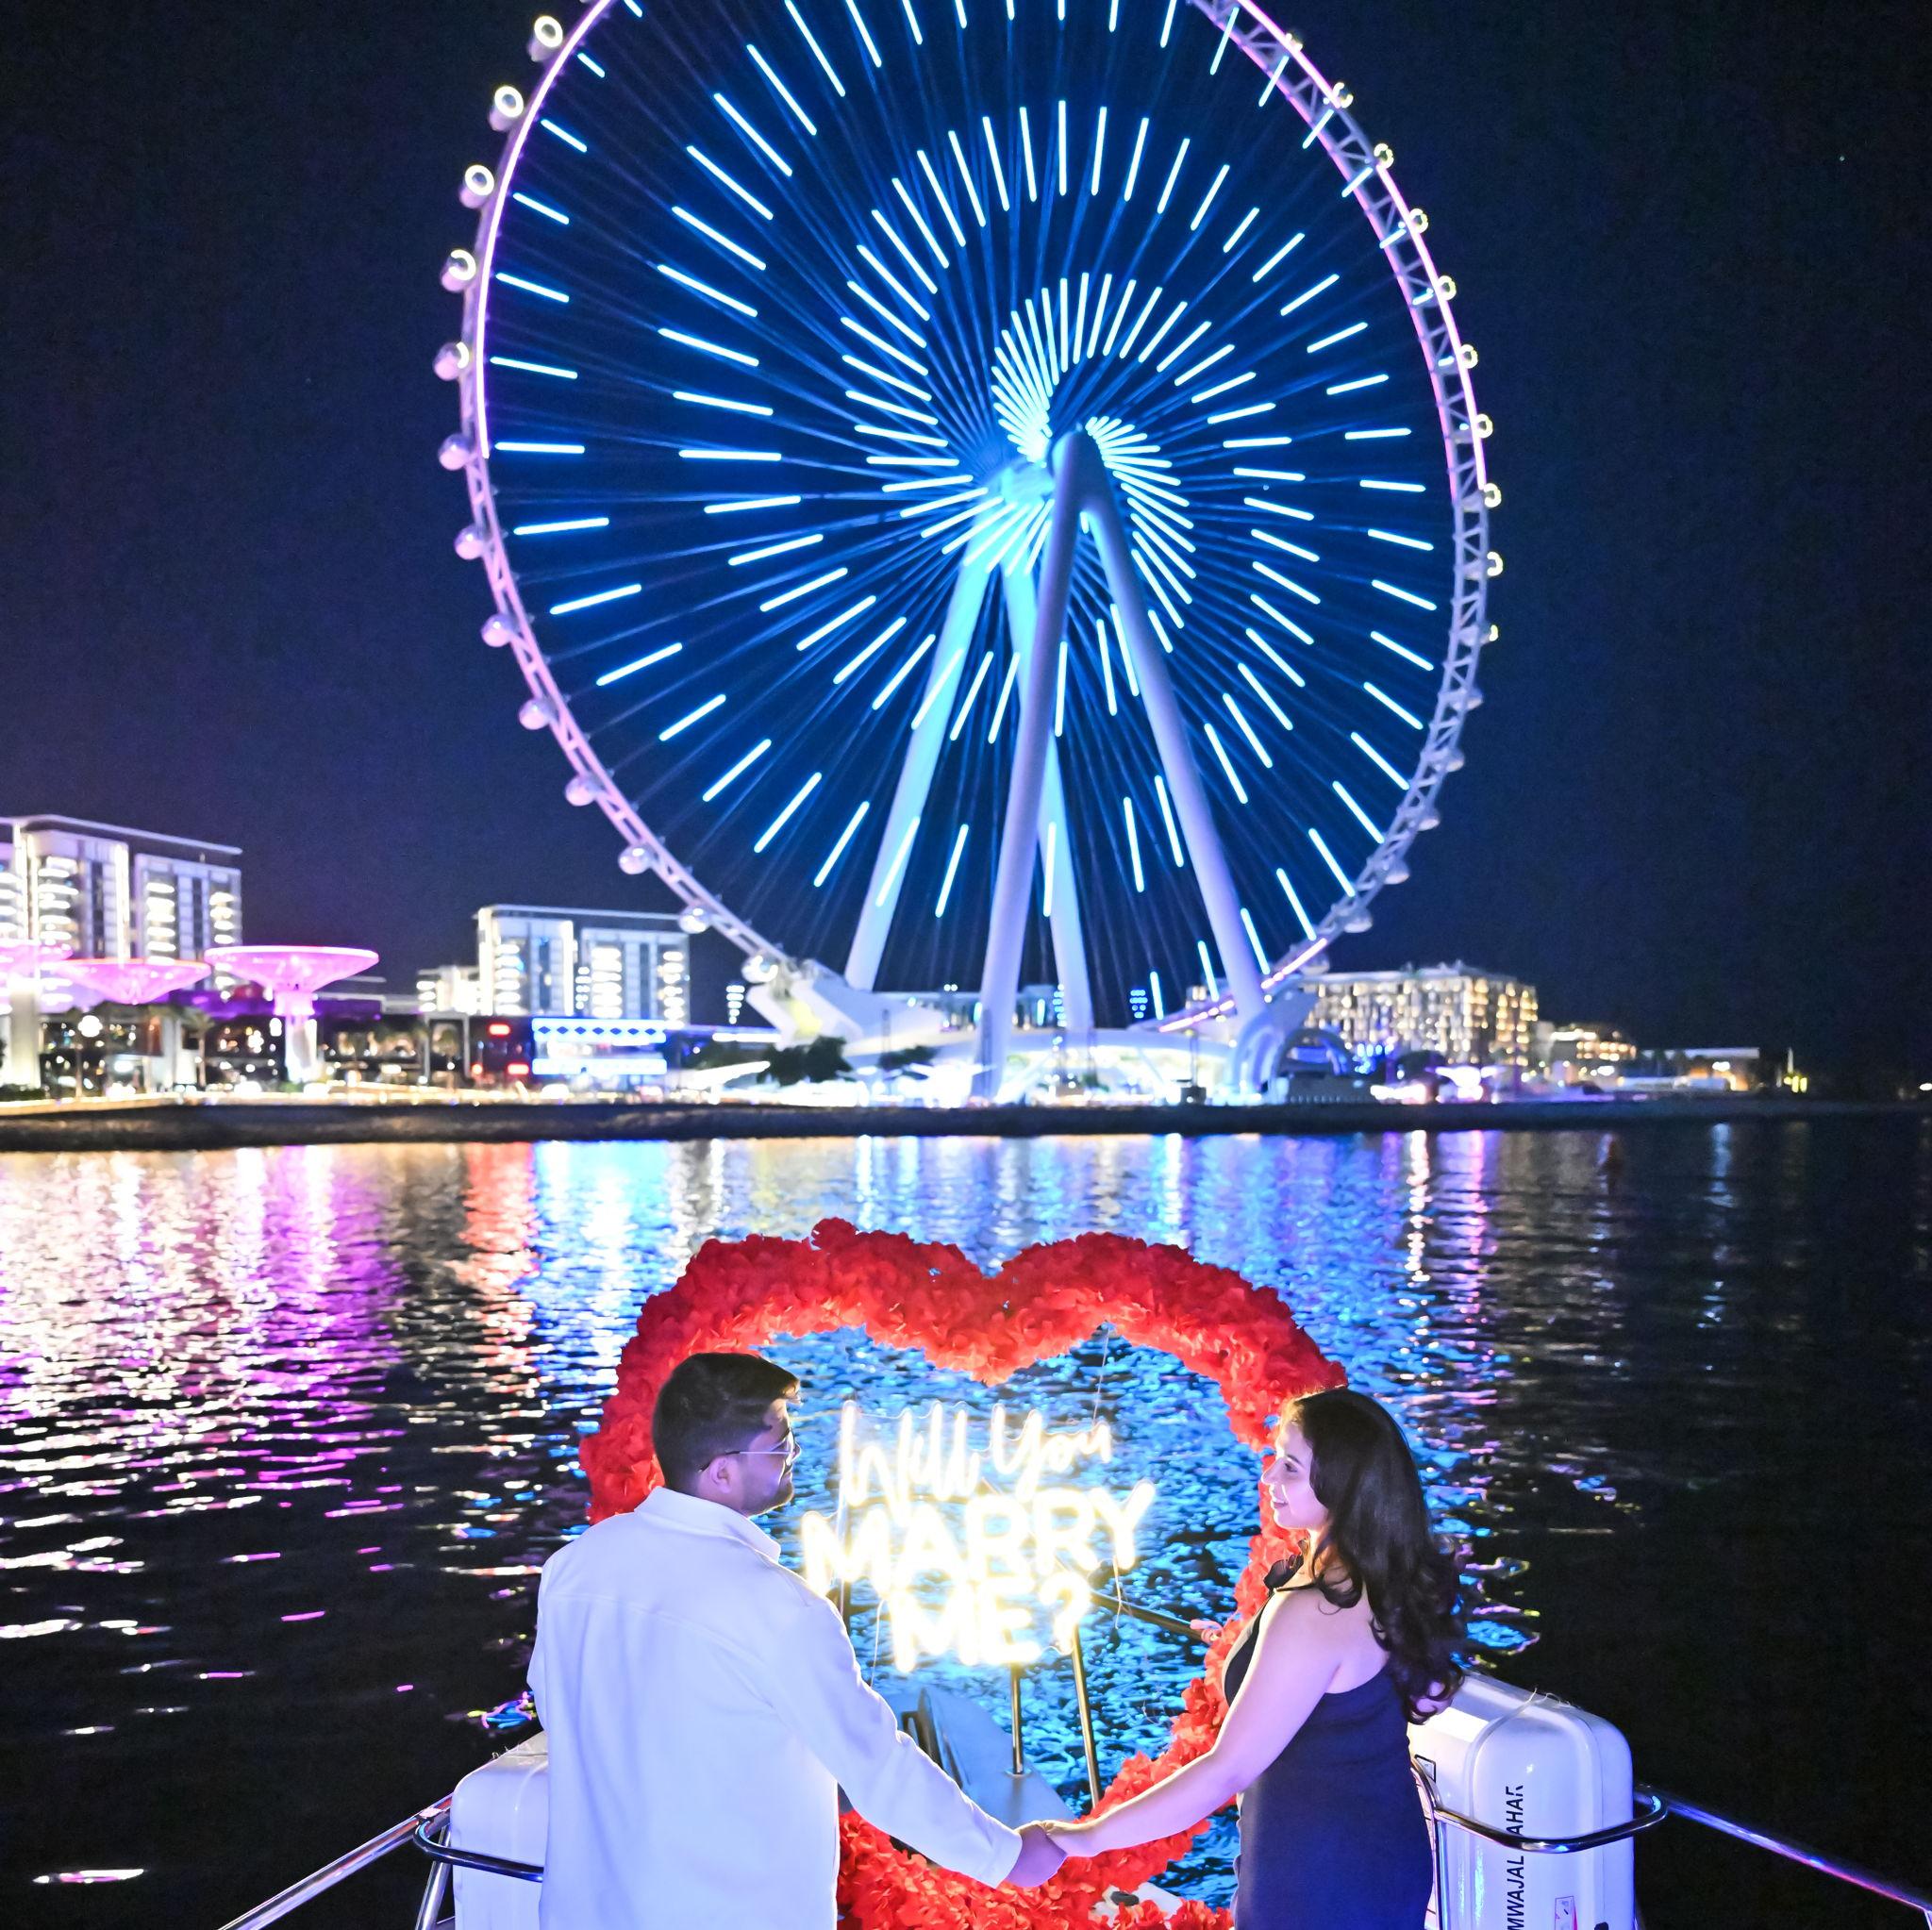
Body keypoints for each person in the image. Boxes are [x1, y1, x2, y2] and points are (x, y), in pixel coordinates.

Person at [528, 1351, 1064, 1928]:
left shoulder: (573, 1567)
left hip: (588, 1907)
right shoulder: (777, 1606)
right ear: (722, 1471)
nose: (793, 1455)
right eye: (779, 1442)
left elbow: (559, 1705)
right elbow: (877, 1765)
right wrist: (1006, 1854)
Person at [1041, 1388, 1461, 1928]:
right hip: (1378, 1851)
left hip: (1317, 1876)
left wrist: (1082, 1838)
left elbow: (1226, 1770)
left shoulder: (1313, 1610)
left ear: (1344, 1480)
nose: (1270, 1480)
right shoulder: (1383, 1578)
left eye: (1290, 1466)